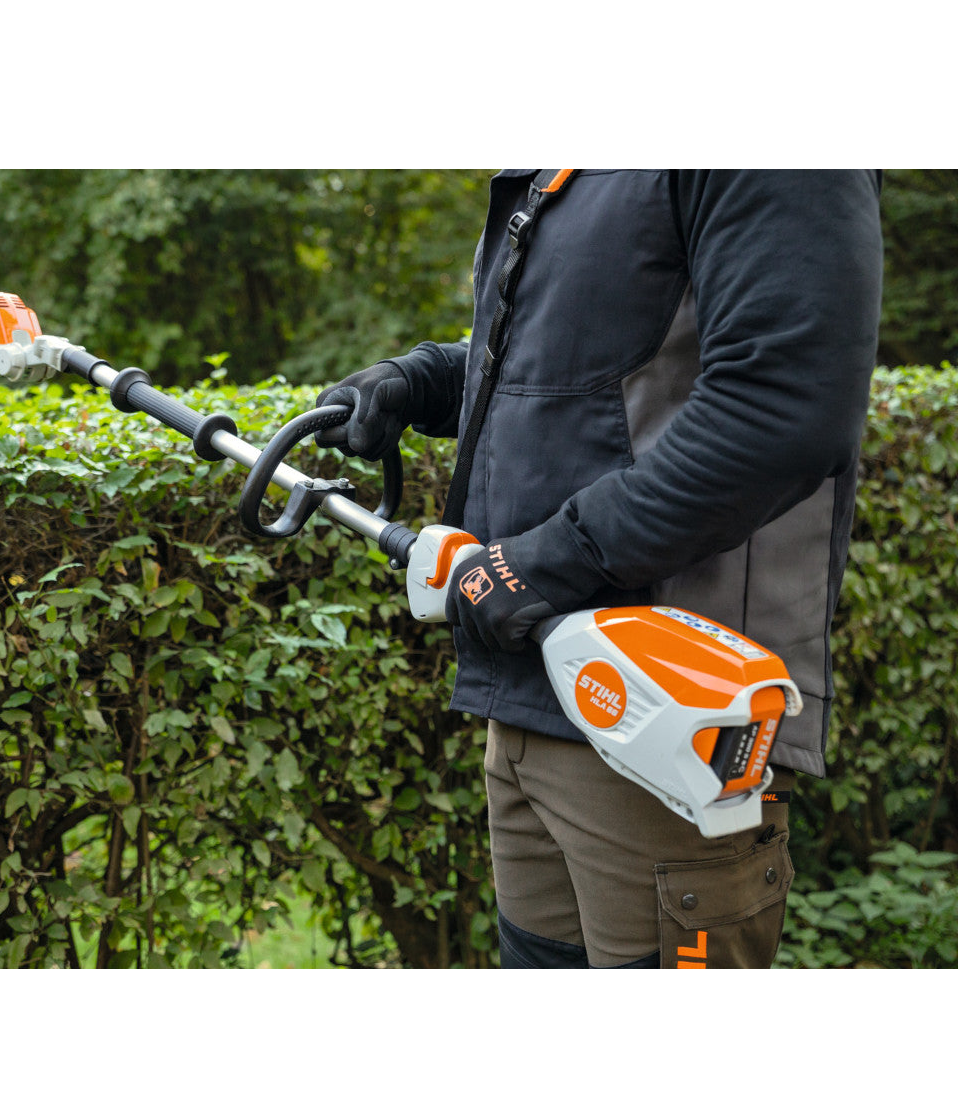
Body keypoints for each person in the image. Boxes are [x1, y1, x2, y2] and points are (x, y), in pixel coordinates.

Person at [315, 170, 884, 969]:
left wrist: (545, 563)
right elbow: (579, 369)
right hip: (532, 700)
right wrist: (427, 381)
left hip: (670, 713)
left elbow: (780, 408)